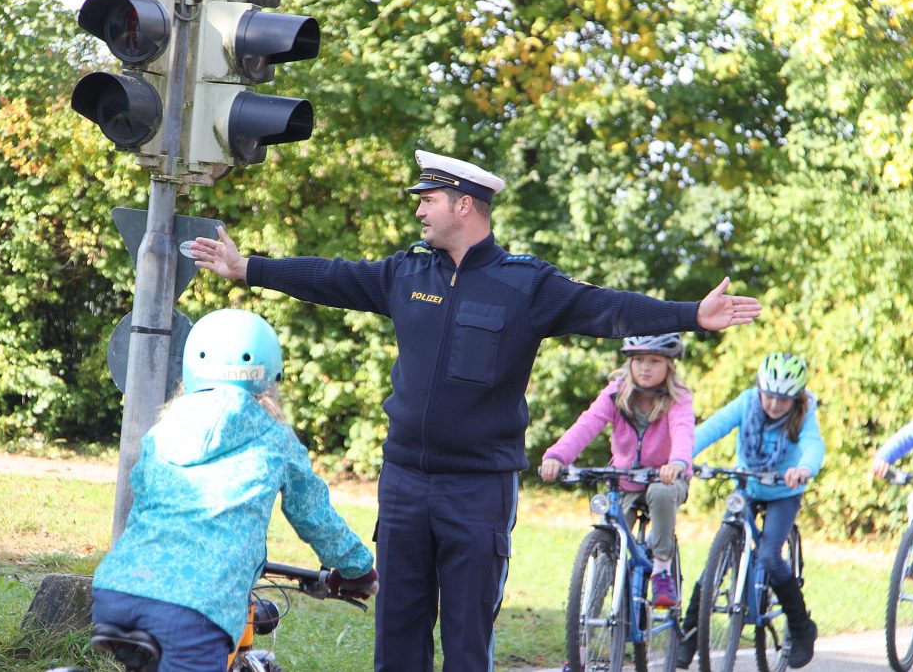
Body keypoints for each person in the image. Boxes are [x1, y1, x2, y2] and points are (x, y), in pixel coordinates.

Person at [190, 149, 762, 672]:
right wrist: (251, 269)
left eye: (428, 200)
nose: (419, 210)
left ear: (465, 205)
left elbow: (607, 309)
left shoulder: (527, 285)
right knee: (397, 638)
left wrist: (691, 314)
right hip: (405, 484)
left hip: (478, 490)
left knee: (467, 642)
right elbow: (334, 276)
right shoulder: (407, 273)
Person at [91, 309, 378, 672]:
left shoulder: (163, 431)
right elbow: (314, 516)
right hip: (195, 609)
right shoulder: (275, 440)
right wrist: (358, 569)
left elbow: (144, 501)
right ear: (271, 376)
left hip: (117, 592)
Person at [677, 352, 824, 670]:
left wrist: (803, 468)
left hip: (784, 491)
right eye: (768, 395)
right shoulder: (746, 402)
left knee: (770, 555)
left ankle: (802, 629)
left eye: (782, 400)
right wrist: (682, 457)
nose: (773, 404)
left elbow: (814, 446)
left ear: (796, 398)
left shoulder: (805, 412)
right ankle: (689, 636)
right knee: (716, 560)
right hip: (748, 485)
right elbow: (712, 428)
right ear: (759, 388)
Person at [540, 333, 694, 609]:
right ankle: (588, 616)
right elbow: (586, 425)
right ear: (629, 364)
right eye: (638, 361)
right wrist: (557, 456)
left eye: (654, 361)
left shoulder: (678, 398)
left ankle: (661, 570)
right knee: (609, 531)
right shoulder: (616, 392)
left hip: (666, 477)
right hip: (624, 480)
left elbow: (683, 431)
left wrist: (677, 463)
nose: (645, 367)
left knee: (660, 493)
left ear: (669, 365)